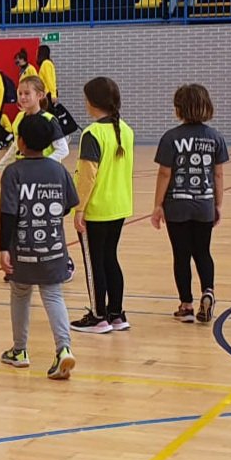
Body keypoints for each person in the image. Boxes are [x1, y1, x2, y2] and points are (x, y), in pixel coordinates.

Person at [0, 115, 79, 378]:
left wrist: (3, 248)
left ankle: (20, 351)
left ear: (21, 141)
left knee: (20, 293)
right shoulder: (58, 170)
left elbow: (8, 213)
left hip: (23, 249)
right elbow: (69, 204)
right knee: (53, 295)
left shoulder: (13, 172)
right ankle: (63, 348)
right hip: (53, 247)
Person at [150, 84, 227, 323]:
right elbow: (218, 175)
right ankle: (208, 291)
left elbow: (165, 173)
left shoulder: (171, 138)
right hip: (204, 203)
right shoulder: (215, 137)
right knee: (203, 251)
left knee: (181, 255)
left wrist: (157, 205)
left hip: (177, 205)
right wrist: (217, 204)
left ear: (179, 109)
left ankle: (186, 305)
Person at [0, 76, 73, 285]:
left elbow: (63, 149)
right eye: (20, 93)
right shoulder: (19, 118)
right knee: (17, 221)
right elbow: (15, 148)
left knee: (47, 223)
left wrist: (42, 166)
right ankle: (14, 264)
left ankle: (64, 261)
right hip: (21, 179)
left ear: (40, 95)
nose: (23, 97)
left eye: (27, 93)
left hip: (44, 182)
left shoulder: (49, 120)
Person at [71, 77, 134, 334]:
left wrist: (79, 208)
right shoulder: (126, 130)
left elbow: (88, 175)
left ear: (92, 102)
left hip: (96, 208)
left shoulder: (92, 133)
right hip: (119, 206)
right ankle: (116, 313)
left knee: (95, 263)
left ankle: (98, 316)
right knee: (110, 258)